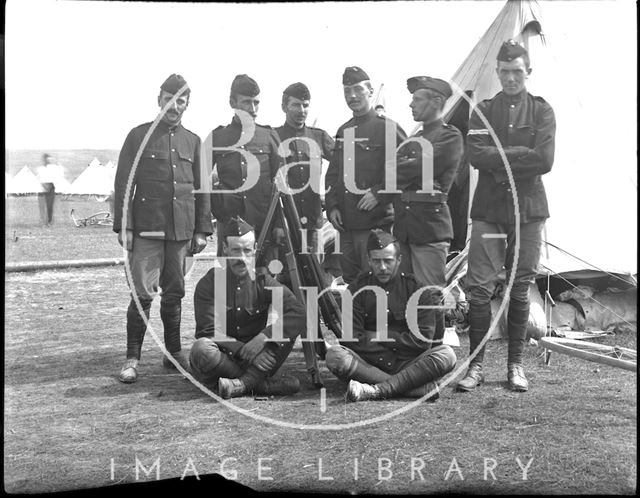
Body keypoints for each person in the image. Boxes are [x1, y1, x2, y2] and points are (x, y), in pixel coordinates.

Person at [457, 40, 556, 393]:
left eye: (518, 71)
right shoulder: (481, 110)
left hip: (527, 211)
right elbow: (476, 156)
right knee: (479, 289)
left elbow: (544, 160)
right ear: (497, 73)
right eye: (505, 72)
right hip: (489, 210)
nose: (511, 78)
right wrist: (518, 155)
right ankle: (477, 366)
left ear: (528, 72)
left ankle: (515, 366)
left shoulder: (542, 112)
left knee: (519, 287)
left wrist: (500, 155)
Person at [113, 74, 213, 383]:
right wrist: (124, 225)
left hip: (181, 231)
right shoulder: (137, 136)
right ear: (160, 99)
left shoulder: (194, 141)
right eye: (169, 99)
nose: (175, 105)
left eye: (181, 100)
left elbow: (202, 189)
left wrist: (201, 230)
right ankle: (132, 358)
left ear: (187, 105)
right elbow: (124, 183)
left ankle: (173, 354)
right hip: (147, 228)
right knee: (142, 293)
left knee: (174, 293)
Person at [324, 229, 457, 401]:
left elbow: (423, 341)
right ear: (369, 261)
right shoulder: (356, 290)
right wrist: (400, 342)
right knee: (335, 356)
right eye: (377, 261)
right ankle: (411, 389)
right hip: (371, 364)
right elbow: (351, 339)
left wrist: (381, 336)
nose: (383, 267)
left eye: (388, 261)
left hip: (410, 363)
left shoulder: (418, 289)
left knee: (447, 355)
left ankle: (376, 390)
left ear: (399, 260)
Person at [190, 217, 306, 399]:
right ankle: (260, 385)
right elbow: (208, 330)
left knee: (286, 331)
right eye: (235, 250)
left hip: (260, 357)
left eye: (247, 251)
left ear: (254, 250)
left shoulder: (263, 281)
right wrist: (244, 351)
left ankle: (241, 385)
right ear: (225, 249)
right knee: (201, 349)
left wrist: (264, 336)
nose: (242, 258)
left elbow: (299, 313)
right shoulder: (209, 283)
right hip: (224, 360)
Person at [325, 66, 407, 284]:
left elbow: (407, 171)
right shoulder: (344, 131)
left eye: (358, 90)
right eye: (347, 91)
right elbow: (333, 174)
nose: (352, 96)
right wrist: (332, 206)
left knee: (376, 281)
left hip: (374, 224)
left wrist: (379, 194)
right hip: (345, 226)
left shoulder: (388, 128)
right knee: (352, 282)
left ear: (370, 91)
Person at [395, 76, 464, 288]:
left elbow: (423, 166)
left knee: (428, 296)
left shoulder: (450, 136)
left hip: (429, 228)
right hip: (404, 227)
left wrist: (407, 166)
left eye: (417, 99)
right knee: (405, 294)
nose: (411, 104)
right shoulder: (411, 140)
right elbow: (393, 171)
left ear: (435, 102)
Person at [210, 74, 283, 256]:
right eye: (246, 102)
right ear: (232, 103)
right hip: (229, 226)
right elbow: (201, 182)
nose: (253, 109)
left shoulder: (268, 136)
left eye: (256, 102)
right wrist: (215, 210)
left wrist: (280, 224)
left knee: (265, 280)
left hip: (263, 225)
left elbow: (282, 186)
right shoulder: (218, 138)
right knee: (225, 280)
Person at [274, 82, 335, 257]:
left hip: (313, 225)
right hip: (285, 223)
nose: (302, 110)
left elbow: (344, 165)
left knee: (315, 276)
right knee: (286, 274)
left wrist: (332, 200)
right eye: (296, 105)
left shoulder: (319, 137)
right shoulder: (274, 137)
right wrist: (278, 223)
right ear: (284, 107)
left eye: (305, 105)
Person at [36, 153, 64, 226]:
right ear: (43, 160)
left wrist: (57, 163)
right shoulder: (40, 169)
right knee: (42, 205)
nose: (47, 161)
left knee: (49, 205)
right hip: (42, 187)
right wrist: (43, 185)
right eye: (46, 159)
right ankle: (43, 221)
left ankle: (49, 221)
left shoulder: (53, 168)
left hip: (50, 186)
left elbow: (60, 172)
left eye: (49, 159)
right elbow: (38, 178)